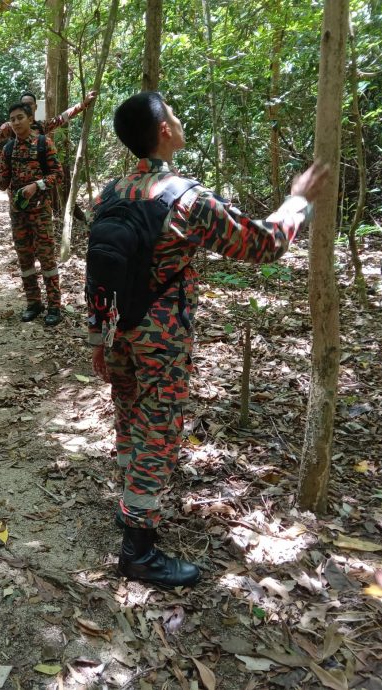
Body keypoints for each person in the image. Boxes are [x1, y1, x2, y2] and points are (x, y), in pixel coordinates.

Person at [90, 92, 328, 588]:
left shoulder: (108, 193)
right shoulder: (187, 199)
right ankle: (138, 549)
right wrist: (299, 199)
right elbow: (263, 243)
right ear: (163, 133)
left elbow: (98, 274)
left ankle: (132, 506)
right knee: (158, 432)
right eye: (173, 116)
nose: (179, 121)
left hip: (121, 333)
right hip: (163, 337)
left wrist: (97, 337)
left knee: (131, 422)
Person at [0, 102, 65, 326]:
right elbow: (4, 184)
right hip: (18, 212)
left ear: (30, 119)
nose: (15, 122)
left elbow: (58, 175)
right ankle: (34, 303)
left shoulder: (44, 143)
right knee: (25, 259)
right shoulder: (8, 149)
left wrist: (37, 185)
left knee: (47, 258)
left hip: (40, 211)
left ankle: (54, 306)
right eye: (12, 119)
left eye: (19, 117)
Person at [0, 90, 97, 161]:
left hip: (40, 178)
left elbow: (61, 118)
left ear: (35, 106)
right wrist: (1, 159)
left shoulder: (41, 126)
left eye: (30, 104)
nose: (27, 107)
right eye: (24, 104)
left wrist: (82, 104)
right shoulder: (11, 126)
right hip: (17, 178)